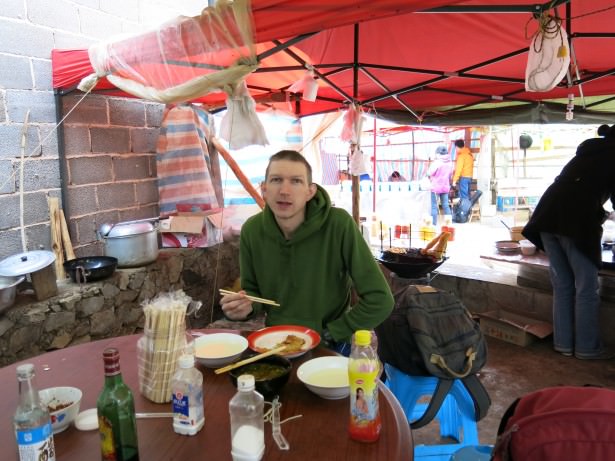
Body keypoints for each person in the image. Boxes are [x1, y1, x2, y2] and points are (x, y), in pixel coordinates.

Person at [220, 150, 394, 352]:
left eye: (296, 181)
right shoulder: (252, 230)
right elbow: (252, 293)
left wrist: (334, 331)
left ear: (310, 191)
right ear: (264, 189)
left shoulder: (338, 224)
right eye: (276, 180)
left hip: (331, 344)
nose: (284, 190)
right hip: (275, 342)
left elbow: (380, 299)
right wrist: (244, 308)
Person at [522, 125, 615, 360]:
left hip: (547, 216)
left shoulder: (589, 151)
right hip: (575, 221)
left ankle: (563, 344)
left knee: (563, 285)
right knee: (586, 288)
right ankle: (586, 348)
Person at [427, 145, 454, 225]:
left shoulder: (437, 162)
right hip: (445, 187)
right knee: (446, 205)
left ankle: (434, 225)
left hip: (435, 188)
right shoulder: (450, 162)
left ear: (438, 154)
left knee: (434, 206)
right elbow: (450, 174)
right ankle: (449, 224)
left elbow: (429, 173)